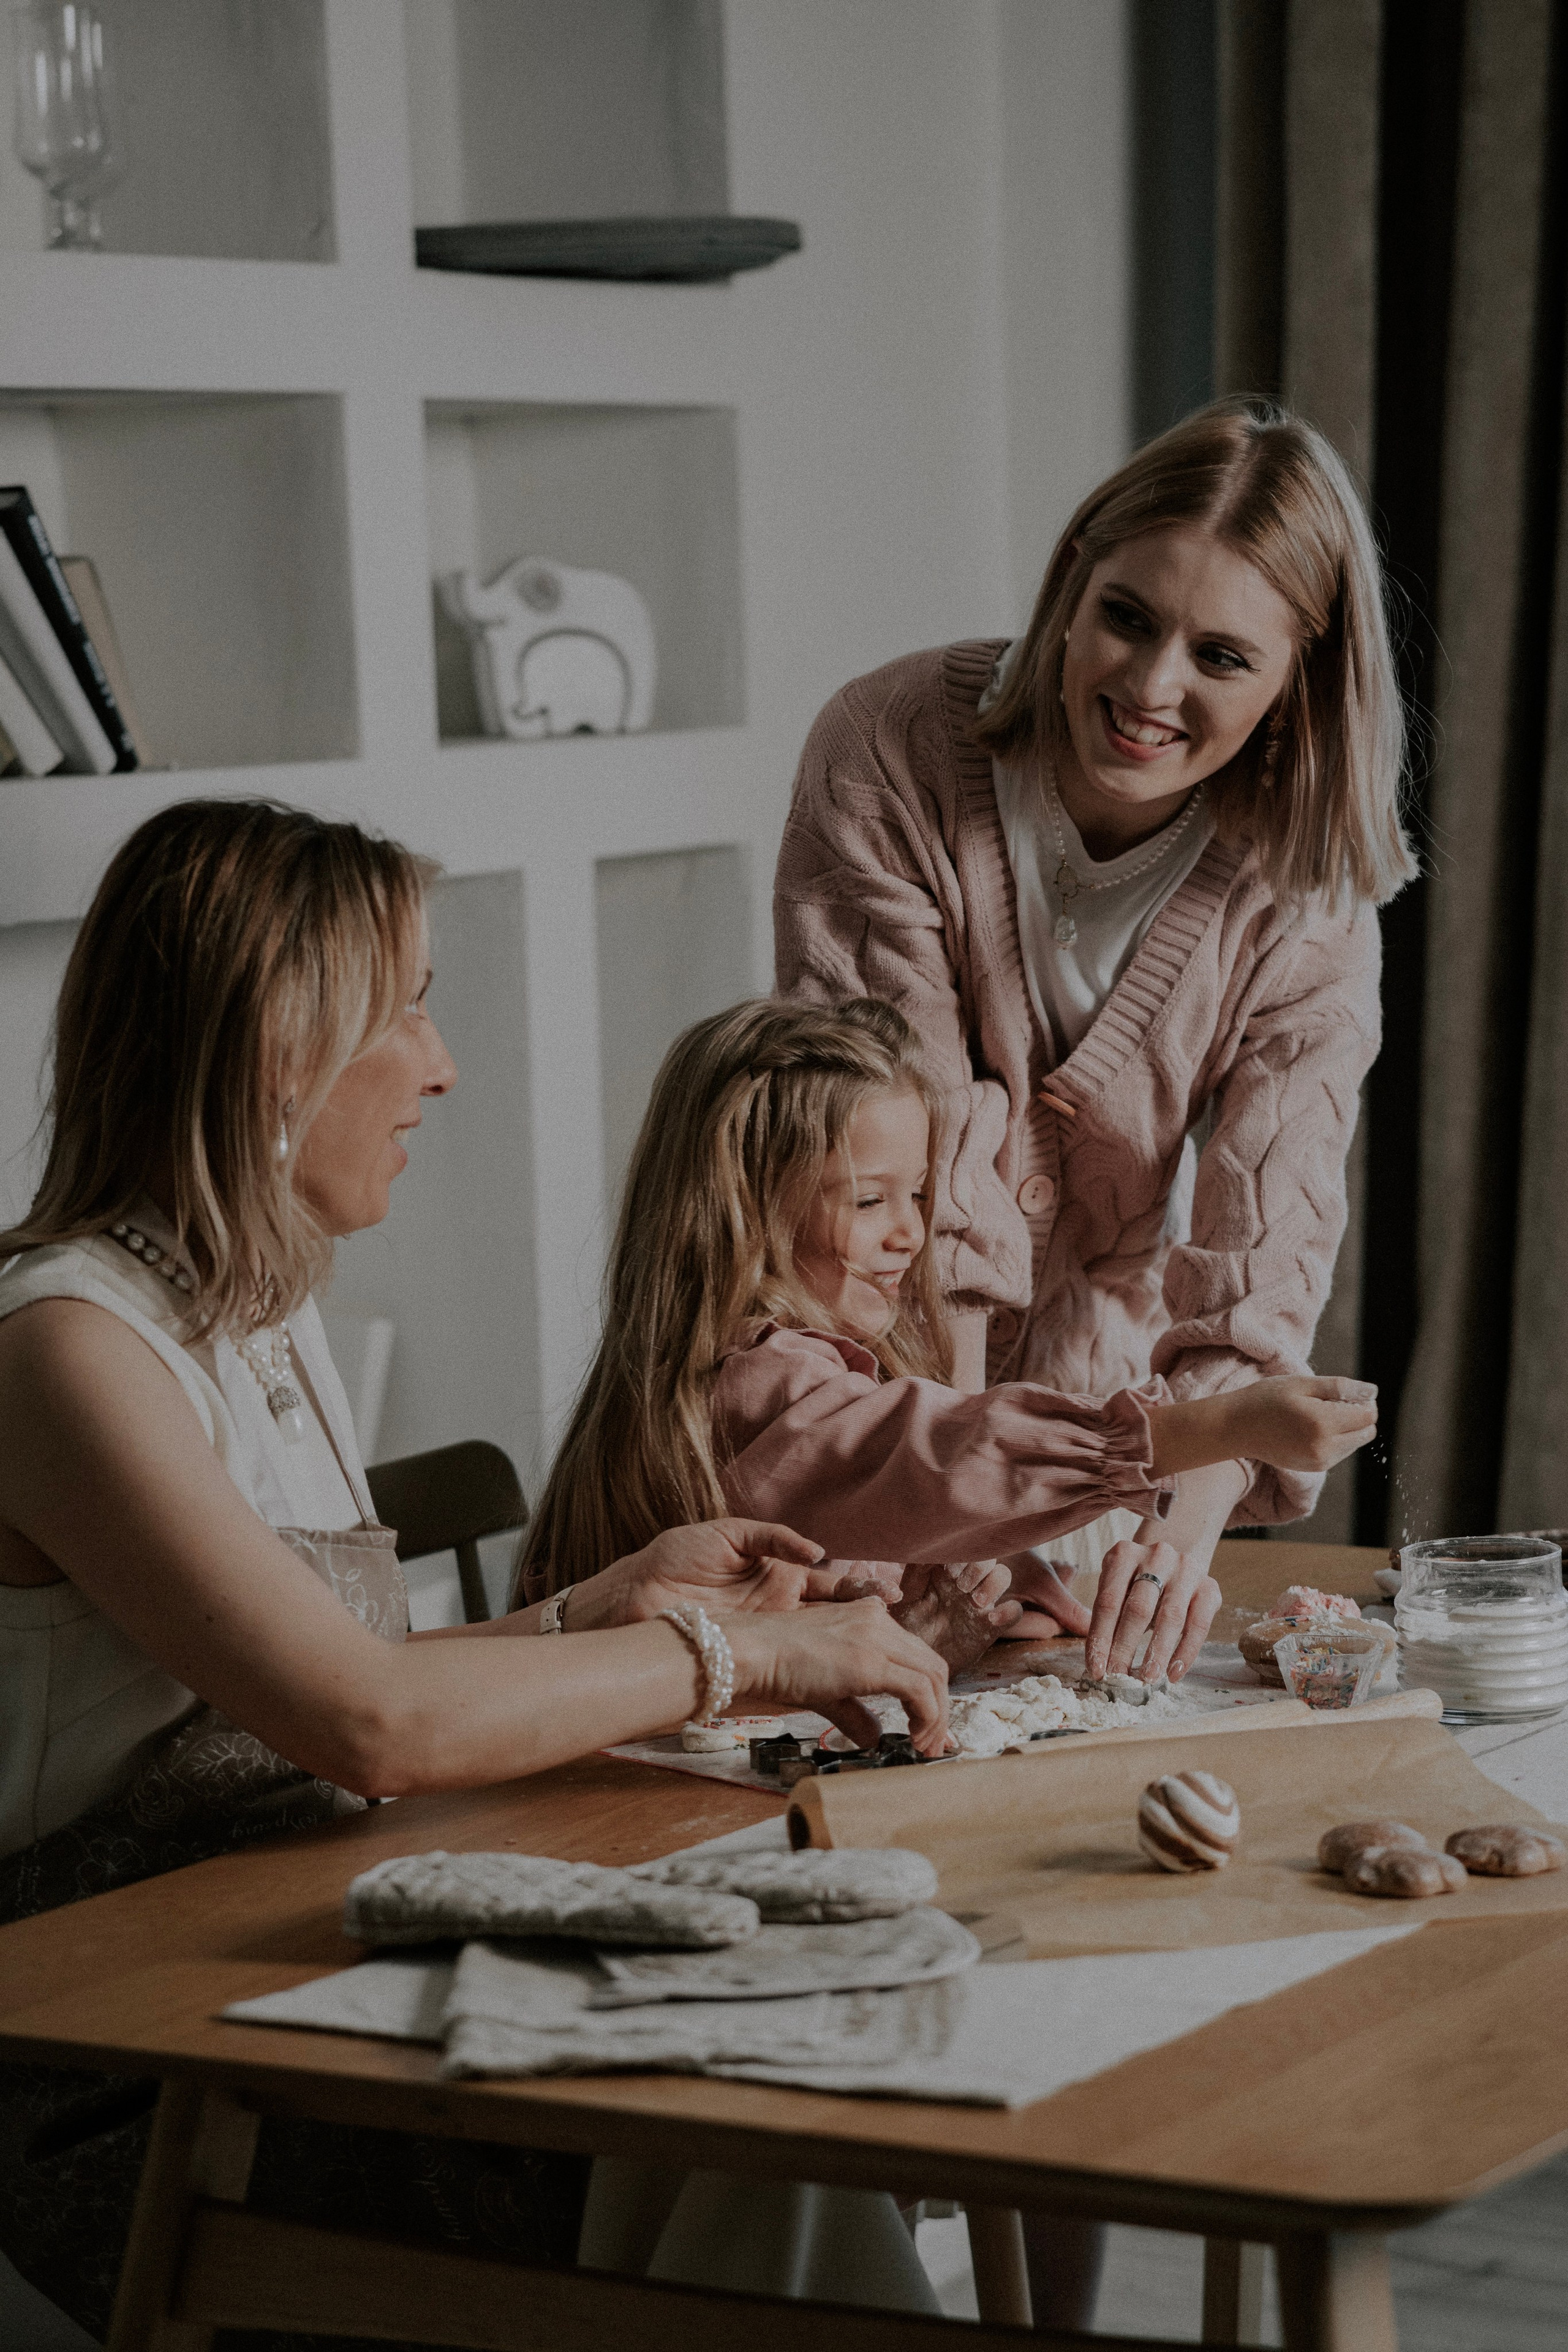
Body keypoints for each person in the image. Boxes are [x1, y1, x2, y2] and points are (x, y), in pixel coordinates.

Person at [0, 799, 949, 2343]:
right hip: (124, 2064)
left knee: (779, 2076)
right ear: (277, 1047)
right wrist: (744, 1660)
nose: (442, 1064)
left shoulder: (251, 1308)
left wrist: (607, 1605)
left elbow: (317, 1690)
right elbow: (365, 1731)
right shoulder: (66, 1352)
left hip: (293, 1953)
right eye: (413, 1006)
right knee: (742, 2119)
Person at [772, 397, 1415, 1662]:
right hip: (861, 1409)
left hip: (1107, 1452)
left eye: (1220, 658)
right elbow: (889, 1168)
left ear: (1296, 679)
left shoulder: (1302, 898)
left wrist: (1167, 1539)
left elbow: (1254, 1272)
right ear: (1071, 579)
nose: (1148, 688)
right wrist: (954, 1529)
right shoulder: (890, 747)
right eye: (1126, 617)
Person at [517, 994, 1377, 1687]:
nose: (909, 1235)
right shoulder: (756, 1382)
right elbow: (931, 1455)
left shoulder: (798, 1366)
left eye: (919, 1196)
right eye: (867, 1201)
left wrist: (972, 1599)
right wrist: (1222, 1428)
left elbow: (855, 1564)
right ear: (742, 1209)